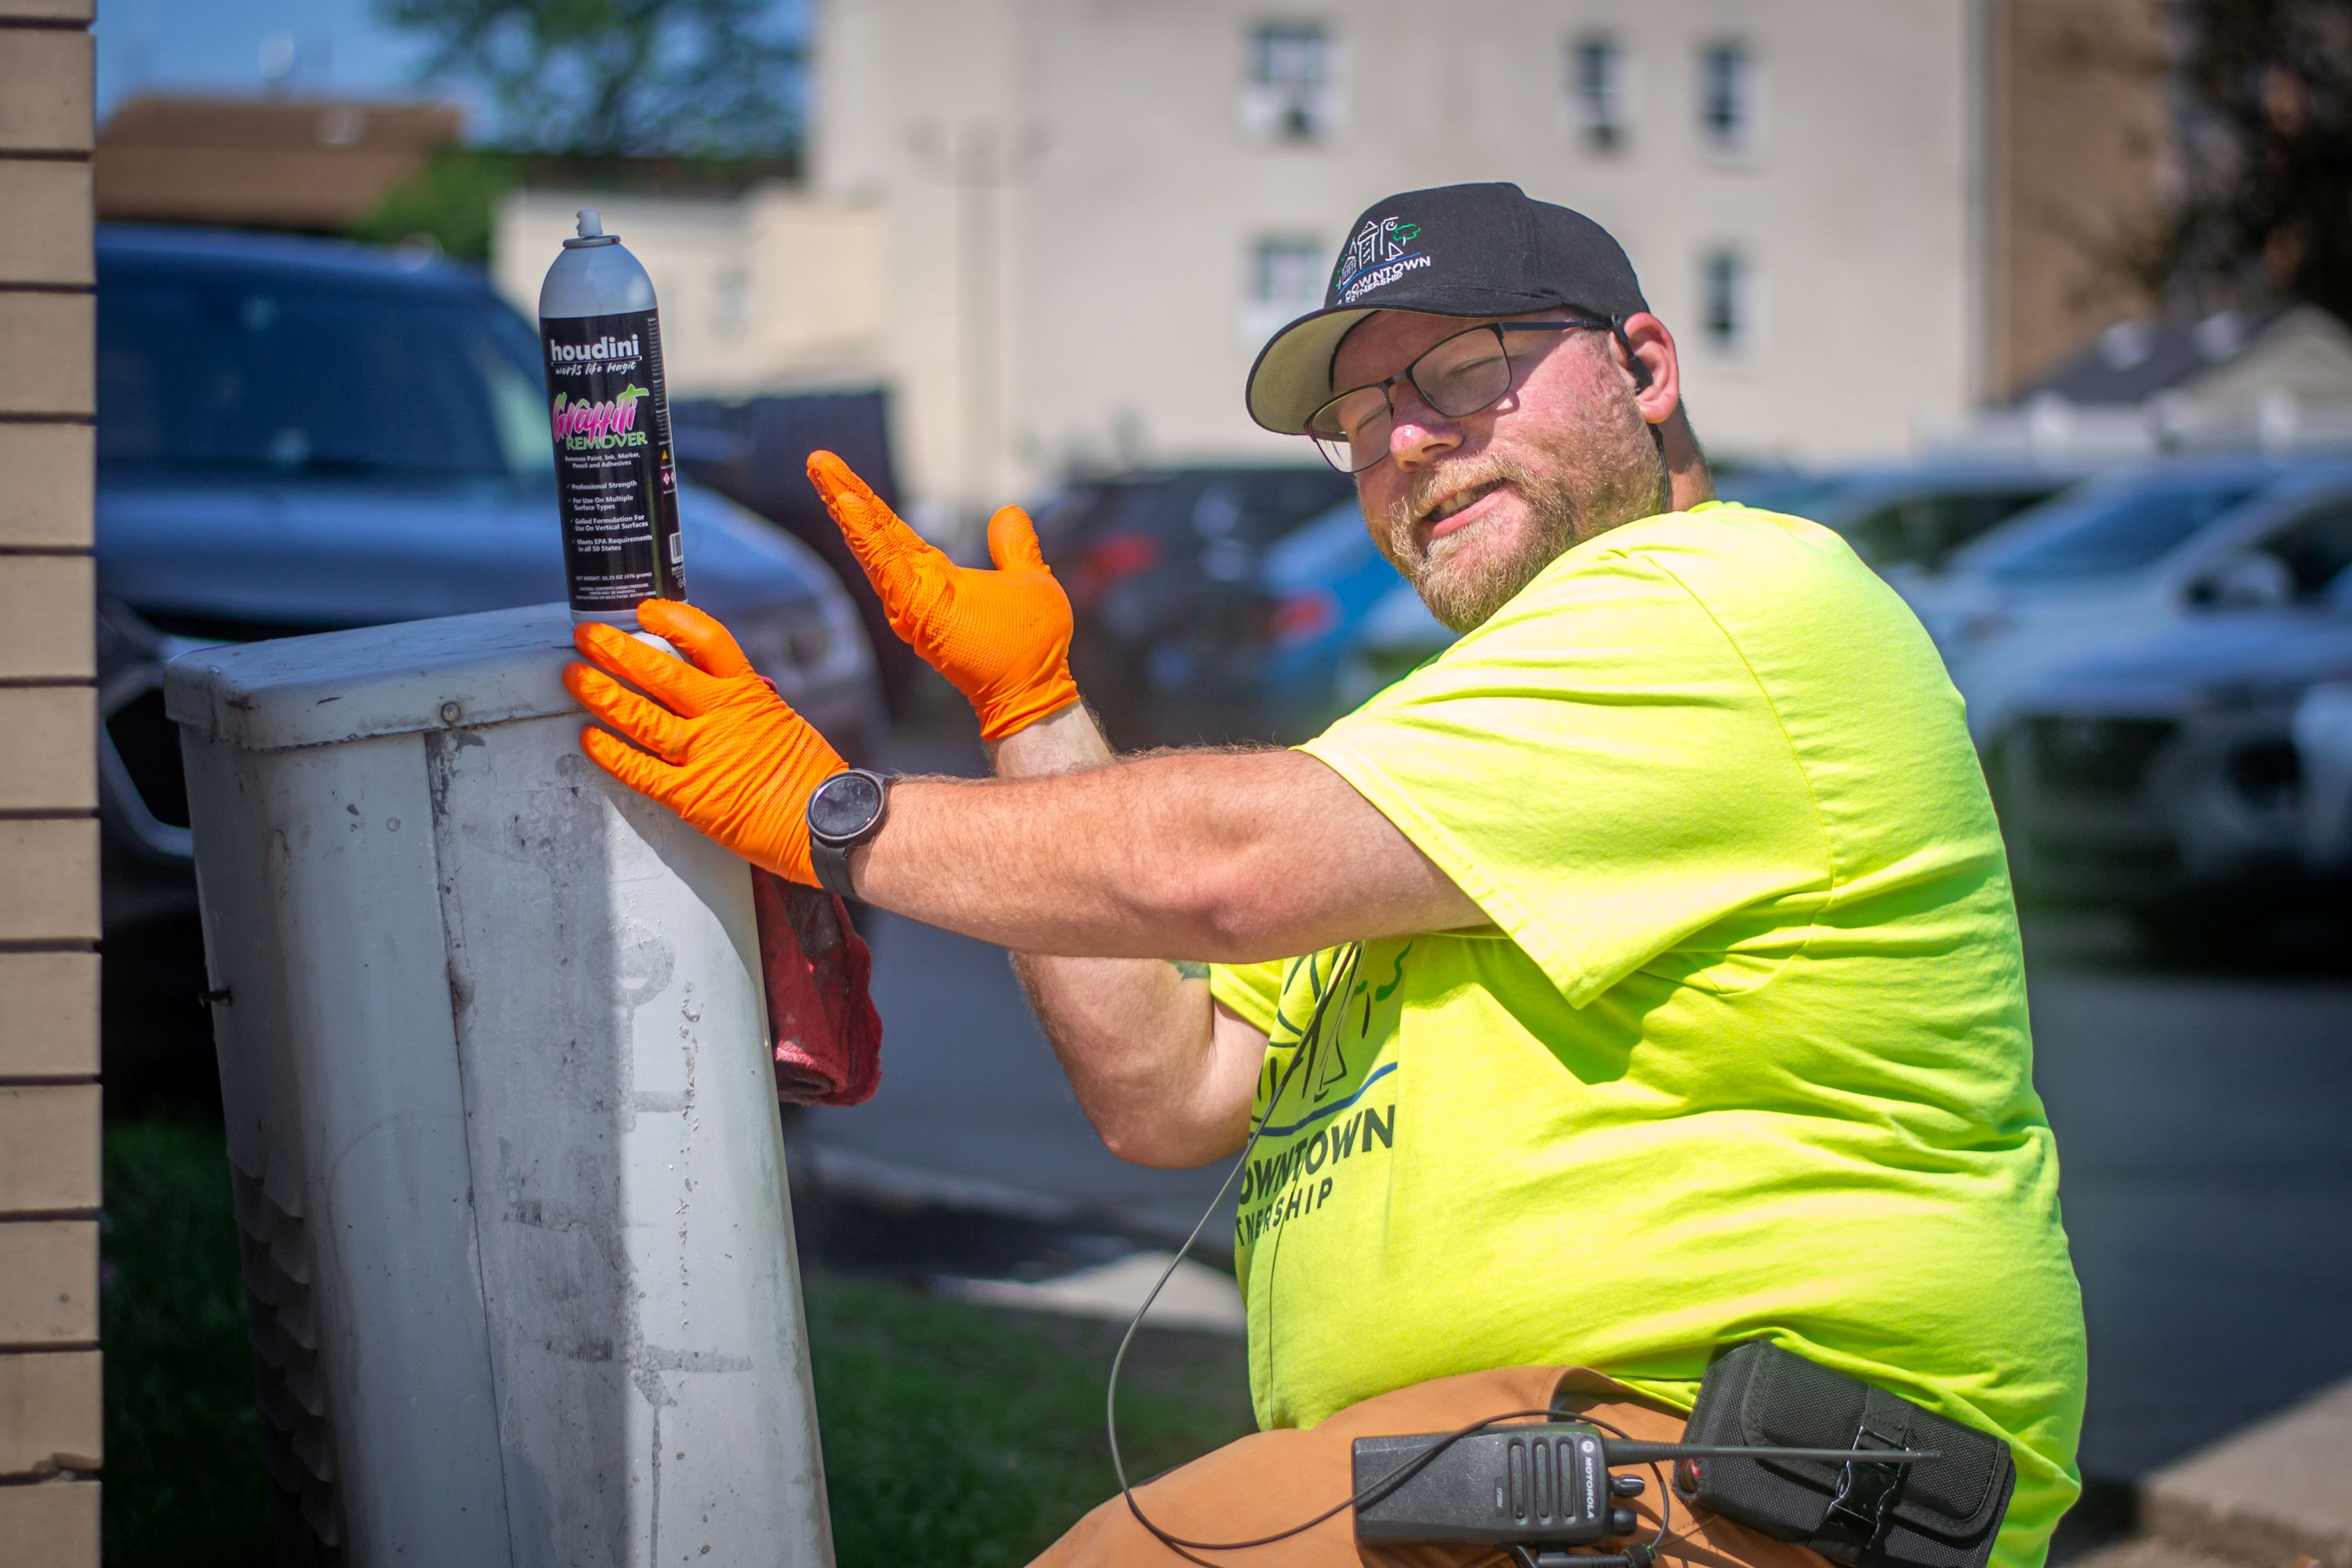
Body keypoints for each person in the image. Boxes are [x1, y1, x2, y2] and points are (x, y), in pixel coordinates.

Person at [563, 182, 2087, 1568]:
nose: (1405, 441)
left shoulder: (1733, 603)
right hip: (1514, 1472)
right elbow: (1169, 1083)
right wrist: (1031, 708)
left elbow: (1232, 865)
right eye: (1361, 416)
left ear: (1645, 366)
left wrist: (830, 814)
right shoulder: (1471, 751)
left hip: (1733, 1473)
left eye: (1463, 369)